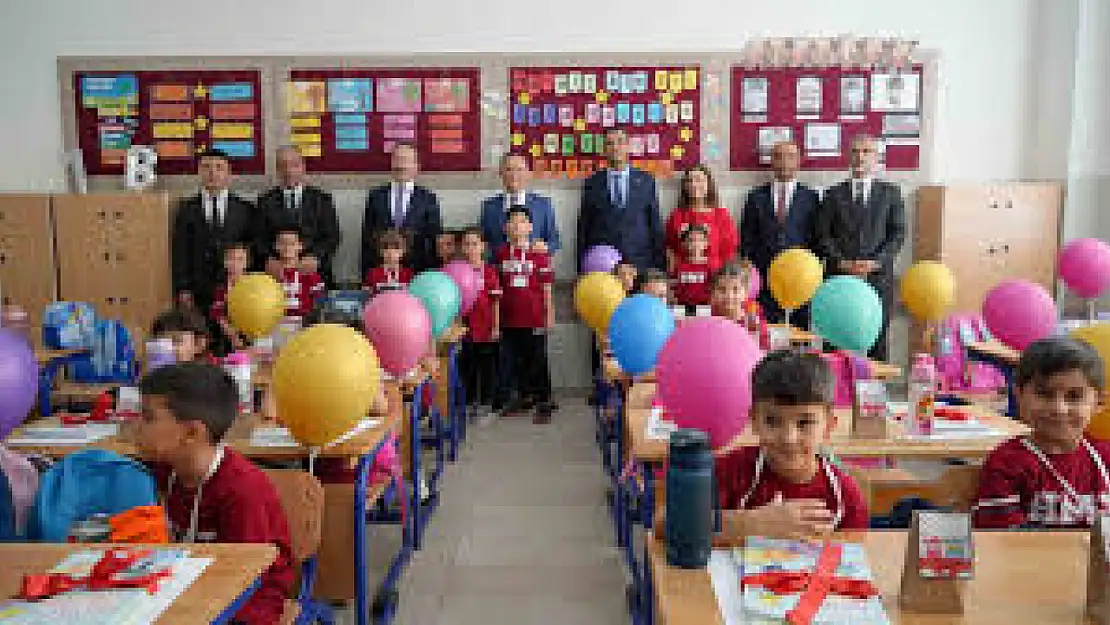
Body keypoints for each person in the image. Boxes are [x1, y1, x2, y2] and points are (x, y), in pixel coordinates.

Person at [136, 363, 293, 624]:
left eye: (148, 417)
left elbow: (245, 577)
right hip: (186, 583)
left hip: (249, 599)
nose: (136, 426)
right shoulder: (165, 469)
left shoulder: (241, 491)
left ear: (191, 432)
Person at [714, 350, 869, 536]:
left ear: (828, 426)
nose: (788, 438)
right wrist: (752, 524)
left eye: (804, 423)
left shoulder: (845, 496)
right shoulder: (729, 471)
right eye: (772, 421)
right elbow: (677, 525)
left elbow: (857, 556)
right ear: (754, 421)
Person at [974, 338, 1110, 529]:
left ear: (1099, 403)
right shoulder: (1006, 464)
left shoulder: (1106, 458)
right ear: (1019, 396)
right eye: (1044, 394)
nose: (1059, 409)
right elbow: (1001, 541)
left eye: (1074, 396)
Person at [815, 135, 906, 360]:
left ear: (876, 158)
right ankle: (834, 392)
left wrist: (876, 262)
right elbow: (822, 236)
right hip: (840, 280)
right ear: (849, 156)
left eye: (866, 152)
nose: (860, 157)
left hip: (878, 279)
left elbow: (898, 233)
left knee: (877, 340)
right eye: (855, 151)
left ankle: (875, 393)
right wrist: (841, 262)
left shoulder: (891, 193)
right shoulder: (832, 194)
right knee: (834, 339)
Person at [740, 141, 821, 327]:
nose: (784, 161)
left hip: (799, 278)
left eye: (790, 156)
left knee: (799, 333)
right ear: (771, 161)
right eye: (778, 156)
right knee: (764, 330)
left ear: (799, 161)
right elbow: (747, 236)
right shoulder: (755, 197)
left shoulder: (811, 197)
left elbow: (817, 237)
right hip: (764, 277)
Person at [171, 150, 257, 316]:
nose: (213, 173)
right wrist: (183, 288)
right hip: (199, 290)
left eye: (219, 167)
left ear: (229, 173)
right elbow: (180, 251)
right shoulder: (186, 209)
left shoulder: (245, 209)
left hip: (236, 290)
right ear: (199, 172)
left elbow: (252, 248)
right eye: (207, 167)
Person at [496, 207, 555, 424]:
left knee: (538, 359)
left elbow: (547, 287)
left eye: (522, 222)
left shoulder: (539, 254)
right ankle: (524, 397)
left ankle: (544, 401)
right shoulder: (502, 253)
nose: (517, 225)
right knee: (516, 360)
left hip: (535, 316)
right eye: (512, 222)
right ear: (506, 228)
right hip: (510, 318)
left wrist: (550, 315)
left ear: (530, 227)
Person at [577, 129, 664, 272]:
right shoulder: (592, 183)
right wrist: (581, 267)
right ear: (604, 150)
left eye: (620, 142)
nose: (615, 148)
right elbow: (584, 227)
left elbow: (654, 224)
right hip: (603, 263)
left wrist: (659, 267)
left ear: (628, 146)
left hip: (639, 262)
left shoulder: (646, 181)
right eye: (610, 144)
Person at [257, 146, 341, 282]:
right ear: (277, 170)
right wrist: (269, 259)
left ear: (303, 167)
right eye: (283, 166)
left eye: (294, 165)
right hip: (277, 276)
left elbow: (332, 236)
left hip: (315, 273)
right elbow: (259, 238)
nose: (289, 171)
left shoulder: (322, 200)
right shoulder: (265, 201)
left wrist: (315, 256)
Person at [361, 143, 442, 275]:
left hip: (417, 271)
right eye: (397, 159)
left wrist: (431, 273)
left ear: (417, 167)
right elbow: (367, 237)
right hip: (381, 272)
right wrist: (366, 274)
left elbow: (434, 239)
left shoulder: (428, 198)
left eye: (406, 160)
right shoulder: (376, 196)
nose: (401, 165)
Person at [459, 227, 502, 423]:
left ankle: (486, 404)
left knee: (487, 368)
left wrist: (496, 327)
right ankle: (468, 404)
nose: (471, 248)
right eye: (466, 244)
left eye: (474, 244)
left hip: (486, 329)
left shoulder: (490, 271)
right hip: (466, 330)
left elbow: (495, 302)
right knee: (468, 368)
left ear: (483, 246)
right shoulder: (458, 271)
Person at [480, 153, 562, 255]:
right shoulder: (489, 207)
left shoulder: (543, 205)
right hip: (499, 268)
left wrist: (545, 247)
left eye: (519, 169)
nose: (514, 175)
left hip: (534, 267)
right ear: (501, 173)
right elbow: (483, 243)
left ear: (528, 173)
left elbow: (555, 242)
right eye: (509, 169)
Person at [664, 164, 737, 272]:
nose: (694, 184)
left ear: (709, 185)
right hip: (685, 278)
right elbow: (670, 248)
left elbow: (729, 251)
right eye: (689, 181)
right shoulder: (677, 216)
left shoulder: (722, 216)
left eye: (699, 180)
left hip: (715, 277)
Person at [270, 225, 325, 319]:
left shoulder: (311, 274)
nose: (287, 247)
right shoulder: (270, 275)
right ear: (276, 246)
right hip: (274, 324)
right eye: (283, 243)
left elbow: (321, 302)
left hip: (304, 325)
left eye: (292, 243)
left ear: (300, 246)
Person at [711, 262, 767, 346]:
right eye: (722, 289)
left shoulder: (753, 321)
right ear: (713, 293)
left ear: (745, 293)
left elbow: (764, 347)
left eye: (735, 290)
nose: (729, 296)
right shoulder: (707, 318)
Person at [209, 241, 250, 353]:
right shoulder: (220, 286)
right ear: (225, 262)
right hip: (225, 332)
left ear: (246, 263)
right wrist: (232, 335)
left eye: (240, 259)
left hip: (249, 330)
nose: (235, 263)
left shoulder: (253, 284)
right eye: (231, 259)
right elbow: (217, 313)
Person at [671, 225, 716, 310]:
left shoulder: (710, 266)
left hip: (704, 305)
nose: (695, 244)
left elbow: (713, 288)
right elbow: (675, 287)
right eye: (691, 240)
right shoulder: (679, 266)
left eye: (699, 240)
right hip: (682, 304)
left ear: (706, 243)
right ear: (684, 244)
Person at [363, 229, 413, 294]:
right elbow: (366, 293)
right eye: (386, 249)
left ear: (403, 252)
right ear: (381, 252)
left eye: (396, 249)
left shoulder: (408, 274)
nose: (391, 252)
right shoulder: (373, 273)